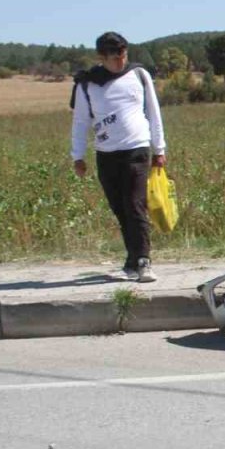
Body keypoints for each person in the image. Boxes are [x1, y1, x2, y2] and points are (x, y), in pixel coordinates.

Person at [70, 31, 166, 282]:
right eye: (114, 57)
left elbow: (153, 112)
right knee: (120, 208)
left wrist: (160, 149)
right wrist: (78, 156)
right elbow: (80, 121)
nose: (120, 61)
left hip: (137, 148)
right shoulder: (87, 84)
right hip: (106, 153)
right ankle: (132, 259)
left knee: (135, 204)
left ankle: (144, 260)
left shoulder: (138, 75)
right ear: (101, 57)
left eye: (123, 55)